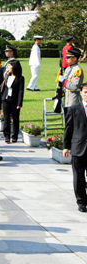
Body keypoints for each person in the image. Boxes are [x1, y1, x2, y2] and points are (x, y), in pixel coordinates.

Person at [63, 83, 87, 213]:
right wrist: (66, 146)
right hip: (78, 147)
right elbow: (68, 128)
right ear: (81, 93)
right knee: (78, 176)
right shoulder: (74, 109)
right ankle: (81, 201)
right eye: (85, 92)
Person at [0, 60, 24, 143]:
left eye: (9, 66)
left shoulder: (20, 78)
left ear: (14, 67)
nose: (8, 68)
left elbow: (21, 91)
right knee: (6, 118)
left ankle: (15, 136)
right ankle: (6, 136)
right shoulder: (7, 76)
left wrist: (19, 103)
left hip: (14, 101)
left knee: (15, 118)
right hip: (6, 99)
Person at [59, 50, 84, 116]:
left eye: (68, 57)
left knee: (74, 121)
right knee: (67, 121)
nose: (66, 59)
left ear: (75, 58)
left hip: (73, 100)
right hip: (66, 99)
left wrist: (63, 81)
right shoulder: (68, 69)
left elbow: (74, 87)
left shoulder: (78, 70)